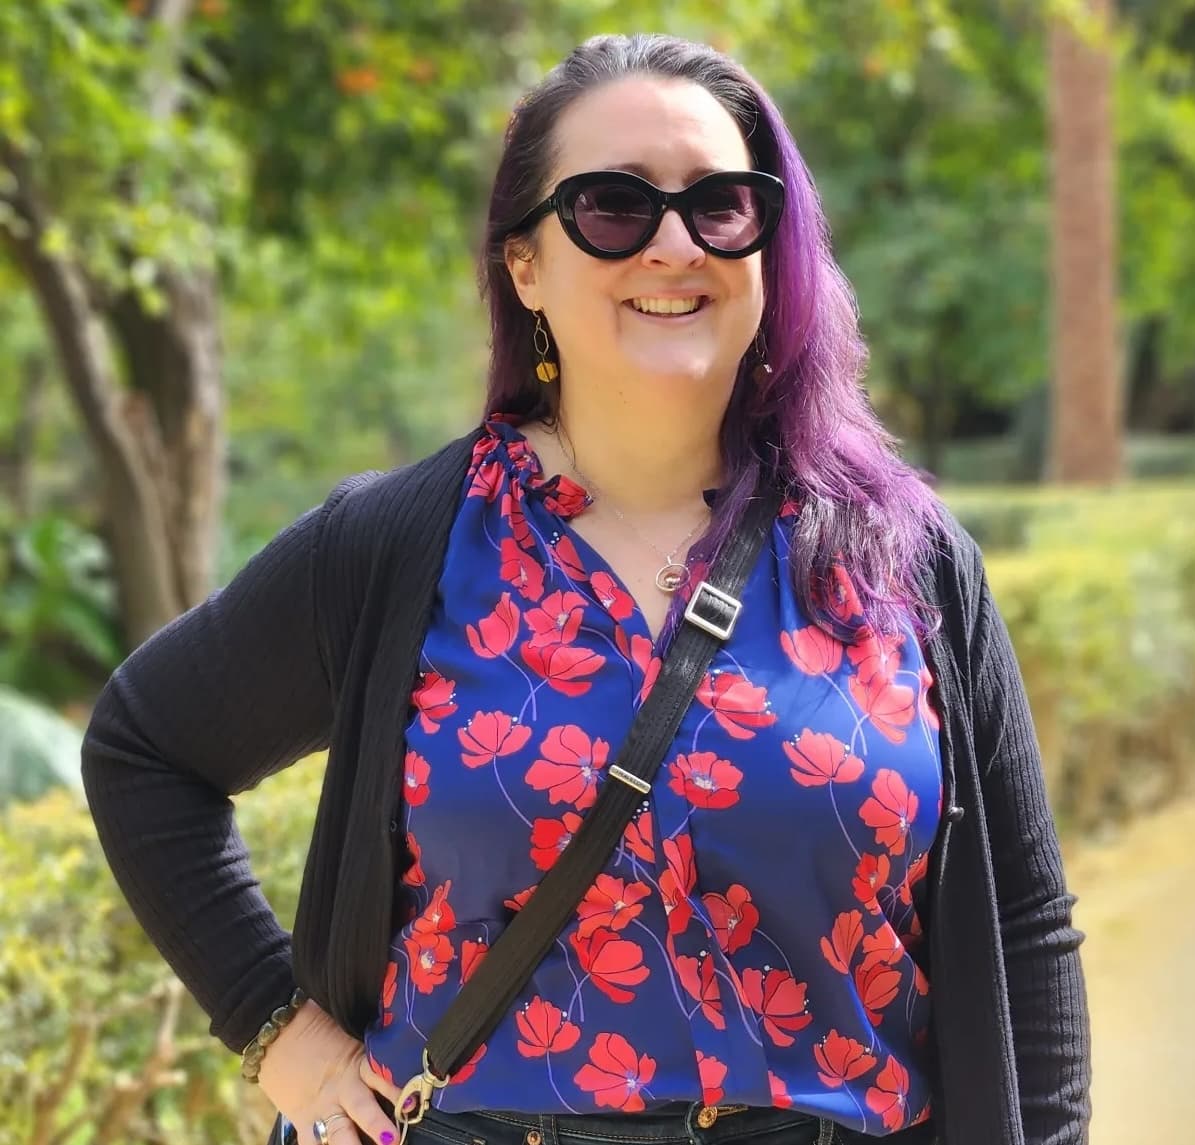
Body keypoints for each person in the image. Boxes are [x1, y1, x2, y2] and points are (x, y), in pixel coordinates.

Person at [81, 33, 1090, 1145]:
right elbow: (145, 748)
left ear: (770, 246)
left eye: (723, 207)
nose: (673, 245)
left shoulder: (903, 557)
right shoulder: (392, 547)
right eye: (613, 207)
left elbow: (1023, 920)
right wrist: (281, 1031)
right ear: (524, 265)